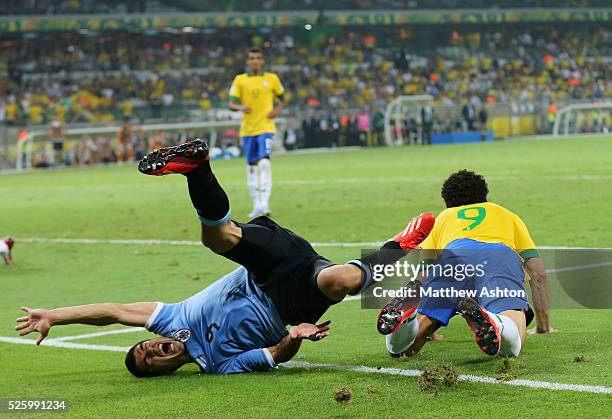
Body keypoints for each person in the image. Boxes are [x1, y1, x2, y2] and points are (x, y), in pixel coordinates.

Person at [17, 139, 434, 377]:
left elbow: (112, 310)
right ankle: (400, 245)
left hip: (260, 271)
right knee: (340, 281)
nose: (153, 349)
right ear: (164, 372)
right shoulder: (217, 364)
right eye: (150, 359)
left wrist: (55, 314)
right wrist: (295, 337)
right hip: (289, 304)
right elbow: (272, 355)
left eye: (144, 346)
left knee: (219, 237)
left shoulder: (171, 319)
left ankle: (195, 167)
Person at [379, 170, 553, 359]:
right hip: (497, 256)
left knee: (405, 351)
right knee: (513, 344)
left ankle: (408, 320)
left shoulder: (443, 218)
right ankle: (496, 321)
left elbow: (424, 274)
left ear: (447, 202)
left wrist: (428, 322)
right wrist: (543, 326)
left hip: (453, 255)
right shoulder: (508, 215)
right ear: (484, 196)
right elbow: (538, 273)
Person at [228, 48, 286, 218]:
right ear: (248, 61)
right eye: (251, 58)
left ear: (262, 61)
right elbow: (231, 103)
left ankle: (264, 204)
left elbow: (283, 98)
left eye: (258, 58)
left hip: (266, 127)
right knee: (251, 168)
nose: (255, 61)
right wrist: (241, 107)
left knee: (264, 163)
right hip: (247, 130)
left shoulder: (272, 79)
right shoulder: (240, 80)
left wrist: (278, 110)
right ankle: (256, 206)